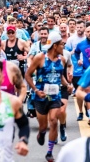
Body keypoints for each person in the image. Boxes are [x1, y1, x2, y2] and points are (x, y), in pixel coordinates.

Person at [25, 32, 69, 162]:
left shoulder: (62, 59)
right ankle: (42, 133)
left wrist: (68, 85)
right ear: (55, 46)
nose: (63, 46)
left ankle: (49, 152)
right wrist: (35, 90)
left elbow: (60, 76)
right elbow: (28, 75)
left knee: (54, 121)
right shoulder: (40, 58)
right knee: (43, 126)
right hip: (40, 97)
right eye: (62, 44)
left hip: (55, 96)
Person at [0, 34, 26, 102]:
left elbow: (22, 87)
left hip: (8, 111)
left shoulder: (11, 68)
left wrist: (18, 102)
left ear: (0, 47)